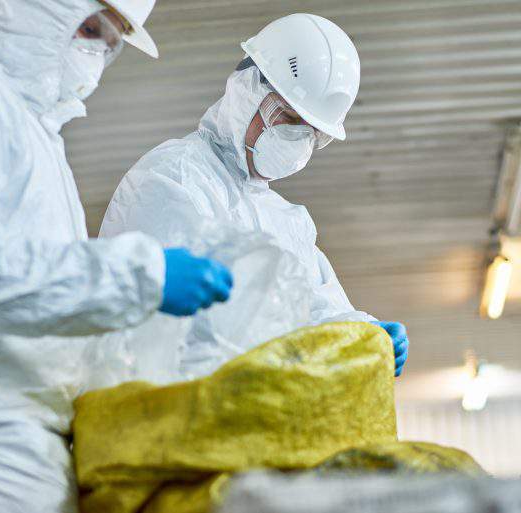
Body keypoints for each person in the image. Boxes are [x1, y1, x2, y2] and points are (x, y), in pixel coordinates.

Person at [0, 1, 232, 512]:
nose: (99, 53)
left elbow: (40, 304)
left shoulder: (40, 140)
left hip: (9, 448)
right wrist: (140, 278)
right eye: (90, 28)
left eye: (113, 41)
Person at [100, 13, 409, 379]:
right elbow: (206, 331)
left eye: (313, 133)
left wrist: (363, 331)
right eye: (290, 119)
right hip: (168, 411)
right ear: (247, 91)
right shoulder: (173, 178)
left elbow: (313, 308)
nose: (298, 142)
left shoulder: (287, 221)